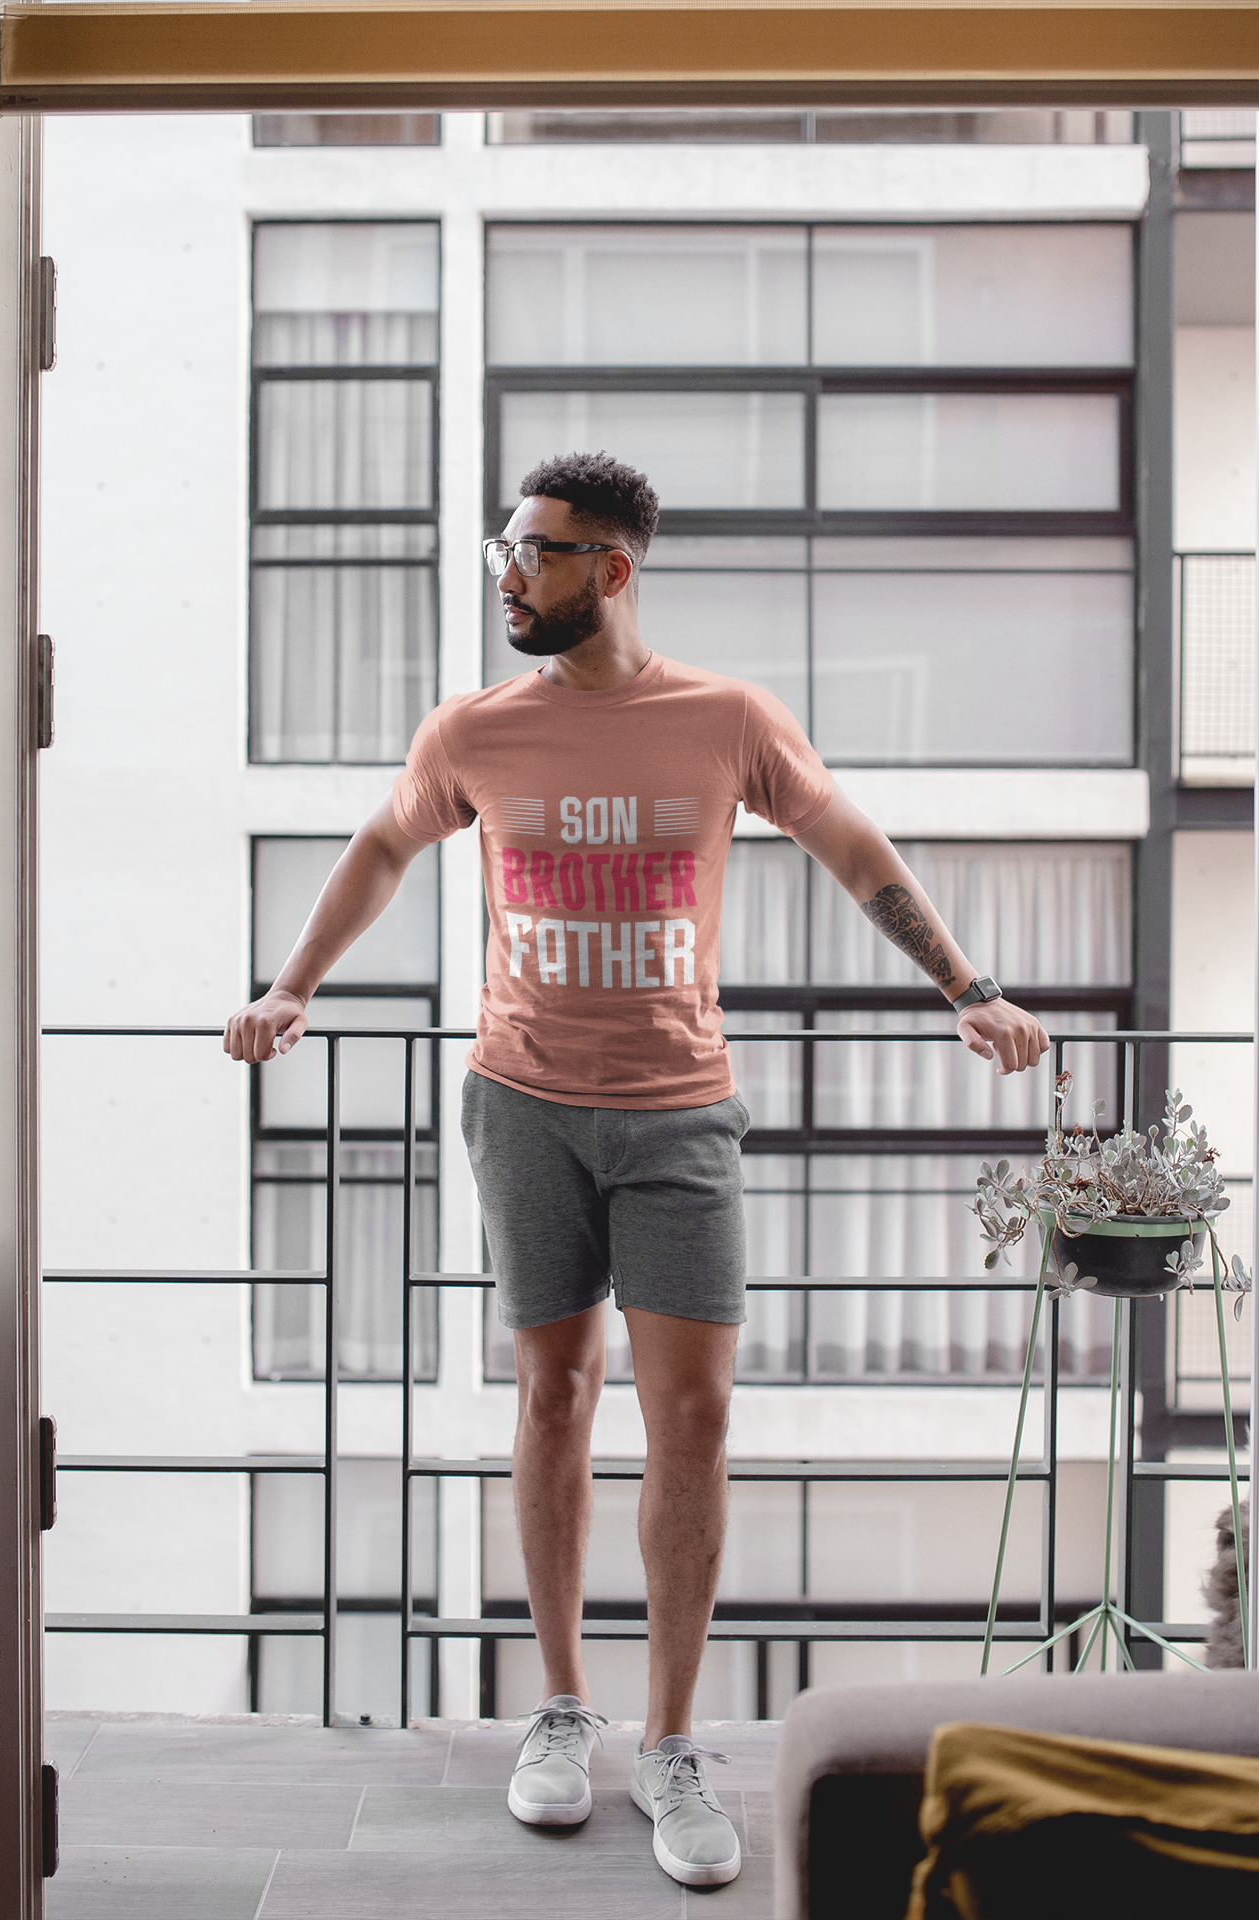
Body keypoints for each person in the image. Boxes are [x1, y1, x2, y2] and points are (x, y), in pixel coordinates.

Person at [224, 451, 1050, 1889]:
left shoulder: (728, 720)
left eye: (533, 552)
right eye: (503, 547)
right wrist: (292, 987)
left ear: (611, 569)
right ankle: (561, 1708)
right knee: (553, 1394)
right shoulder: (472, 731)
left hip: (680, 1118)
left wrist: (966, 988)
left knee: (695, 1421)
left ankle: (671, 1743)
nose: (507, 574)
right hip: (523, 1106)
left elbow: (850, 843)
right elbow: (381, 847)